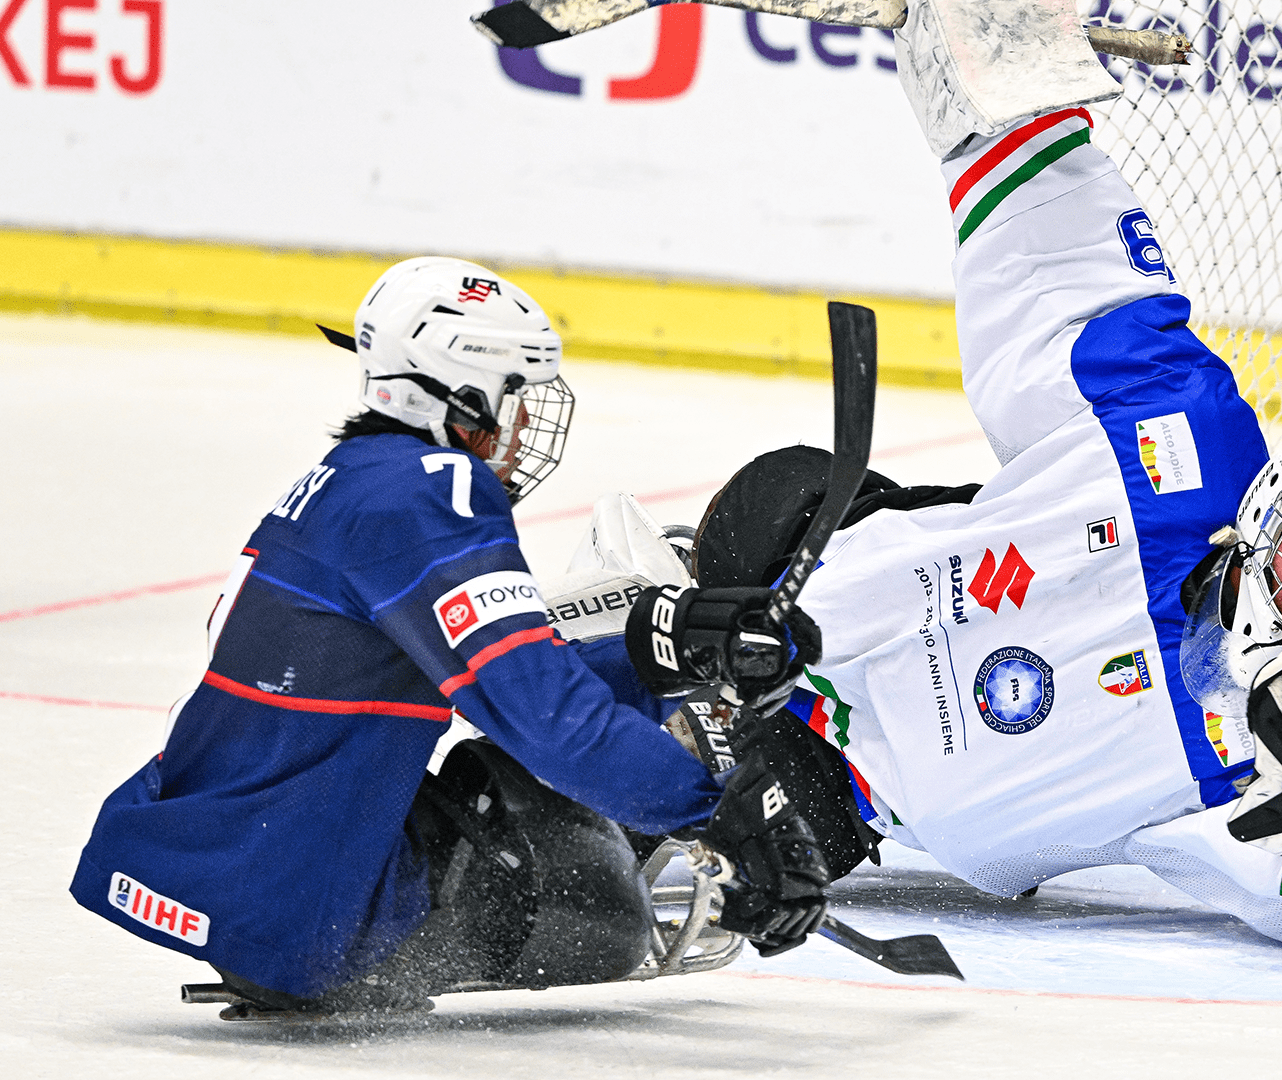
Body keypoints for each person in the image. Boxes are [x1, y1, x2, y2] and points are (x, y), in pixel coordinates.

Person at [636, 3, 1282, 958]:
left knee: (761, 839)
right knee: (777, 501)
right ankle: (633, 636)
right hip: (797, 589)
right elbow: (1064, 265)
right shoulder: (1182, 442)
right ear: (1266, 515)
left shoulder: (1277, 754)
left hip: (849, 781)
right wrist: (1001, 68)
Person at [69, 257, 832, 1012]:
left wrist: (661, 654)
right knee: (597, 900)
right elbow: (547, 722)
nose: (523, 427)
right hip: (313, 913)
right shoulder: (432, 491)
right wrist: (718, 816)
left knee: (516, 772)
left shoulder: (355, 479)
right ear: (462, 396)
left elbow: (513, 686)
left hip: (240, 875)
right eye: (514, 397)